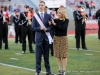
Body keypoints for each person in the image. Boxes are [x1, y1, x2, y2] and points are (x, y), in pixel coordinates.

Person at [32, 1, 54, 75]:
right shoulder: (35, 16)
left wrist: (47, 29)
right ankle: (37, 71)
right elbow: (33, 27)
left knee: (46, 56)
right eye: (39, 5)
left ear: (44, 6)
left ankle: (48, 71)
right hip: (38, 39)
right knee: (38, 56)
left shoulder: (48, 16)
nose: (41, 6)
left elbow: (51, 26)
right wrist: (40, 28)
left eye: (42, 5)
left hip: (46, 38)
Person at [51, 8, 69, 75]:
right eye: (57, 13)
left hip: (63, 38)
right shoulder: (55, 20)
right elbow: (52, 27)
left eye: (59, 13)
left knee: (64, 55)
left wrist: (55, 24)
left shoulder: (66, 20)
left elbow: (63, 28)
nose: (58, 14)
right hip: (56, 38)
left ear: (62, 14)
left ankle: (64, 70)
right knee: (57, 55)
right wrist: (50, 24)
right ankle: (60, 70)